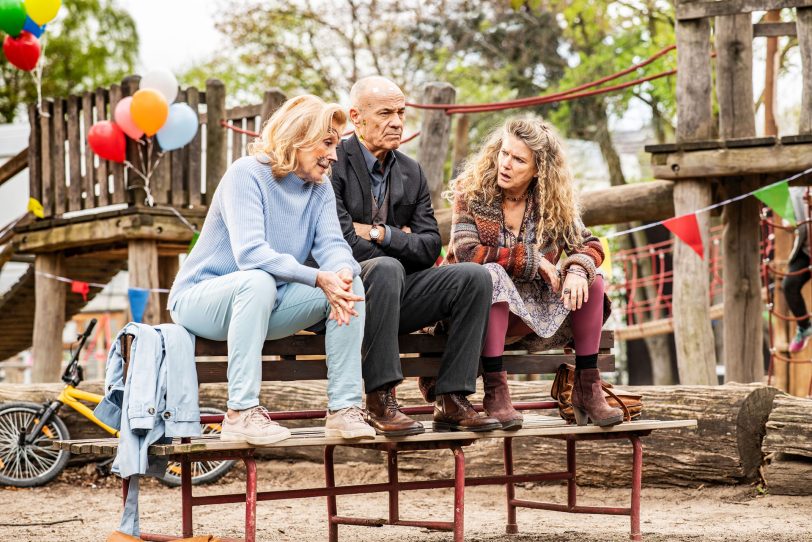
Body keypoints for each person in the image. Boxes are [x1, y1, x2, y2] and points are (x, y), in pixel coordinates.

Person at [168, 95, 375, 444]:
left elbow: (332, 245)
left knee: (349, 281)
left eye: (336, 145)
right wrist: (316, 276)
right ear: (298, 137)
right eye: (327, 143)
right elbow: (250, 253)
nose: (334, 155)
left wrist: (338, 272)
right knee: (258, 280)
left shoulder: (320, 188)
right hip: (201, 300)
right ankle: (241, 412)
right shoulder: (246, 174)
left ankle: (343, 409)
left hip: (266, 302)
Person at [330, 76, 502, 434]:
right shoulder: (335, 164)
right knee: (387, 267)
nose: (396, 121)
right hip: (345, 296)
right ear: (356, 117)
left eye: (401, 112)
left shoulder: (411, 170)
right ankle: (380, 399)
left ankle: (451, 397)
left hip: (399, 291)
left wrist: (379, 232)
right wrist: (399, 242)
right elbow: (342, 241)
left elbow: (428, 249)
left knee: (474, 276)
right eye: (385, 113)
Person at [444, 117, 623, 427]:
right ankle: (496, 393)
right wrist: (533, 259)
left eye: (518, 159)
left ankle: (587, 387)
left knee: (593, 280)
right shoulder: (471, 191)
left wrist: (579, 269)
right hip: (476, 313)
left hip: (531, 316)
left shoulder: (552, 202)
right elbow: (467, 253)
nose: (506, 164)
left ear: (539, 169)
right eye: (504, 153)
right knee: (492, 276)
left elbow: (590, 245)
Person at [785, 187, 812, 353]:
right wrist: (790, 222)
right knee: (789, 285)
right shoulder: (795, 190)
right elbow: (788, 221)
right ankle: (804, 327)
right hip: (806, 251)